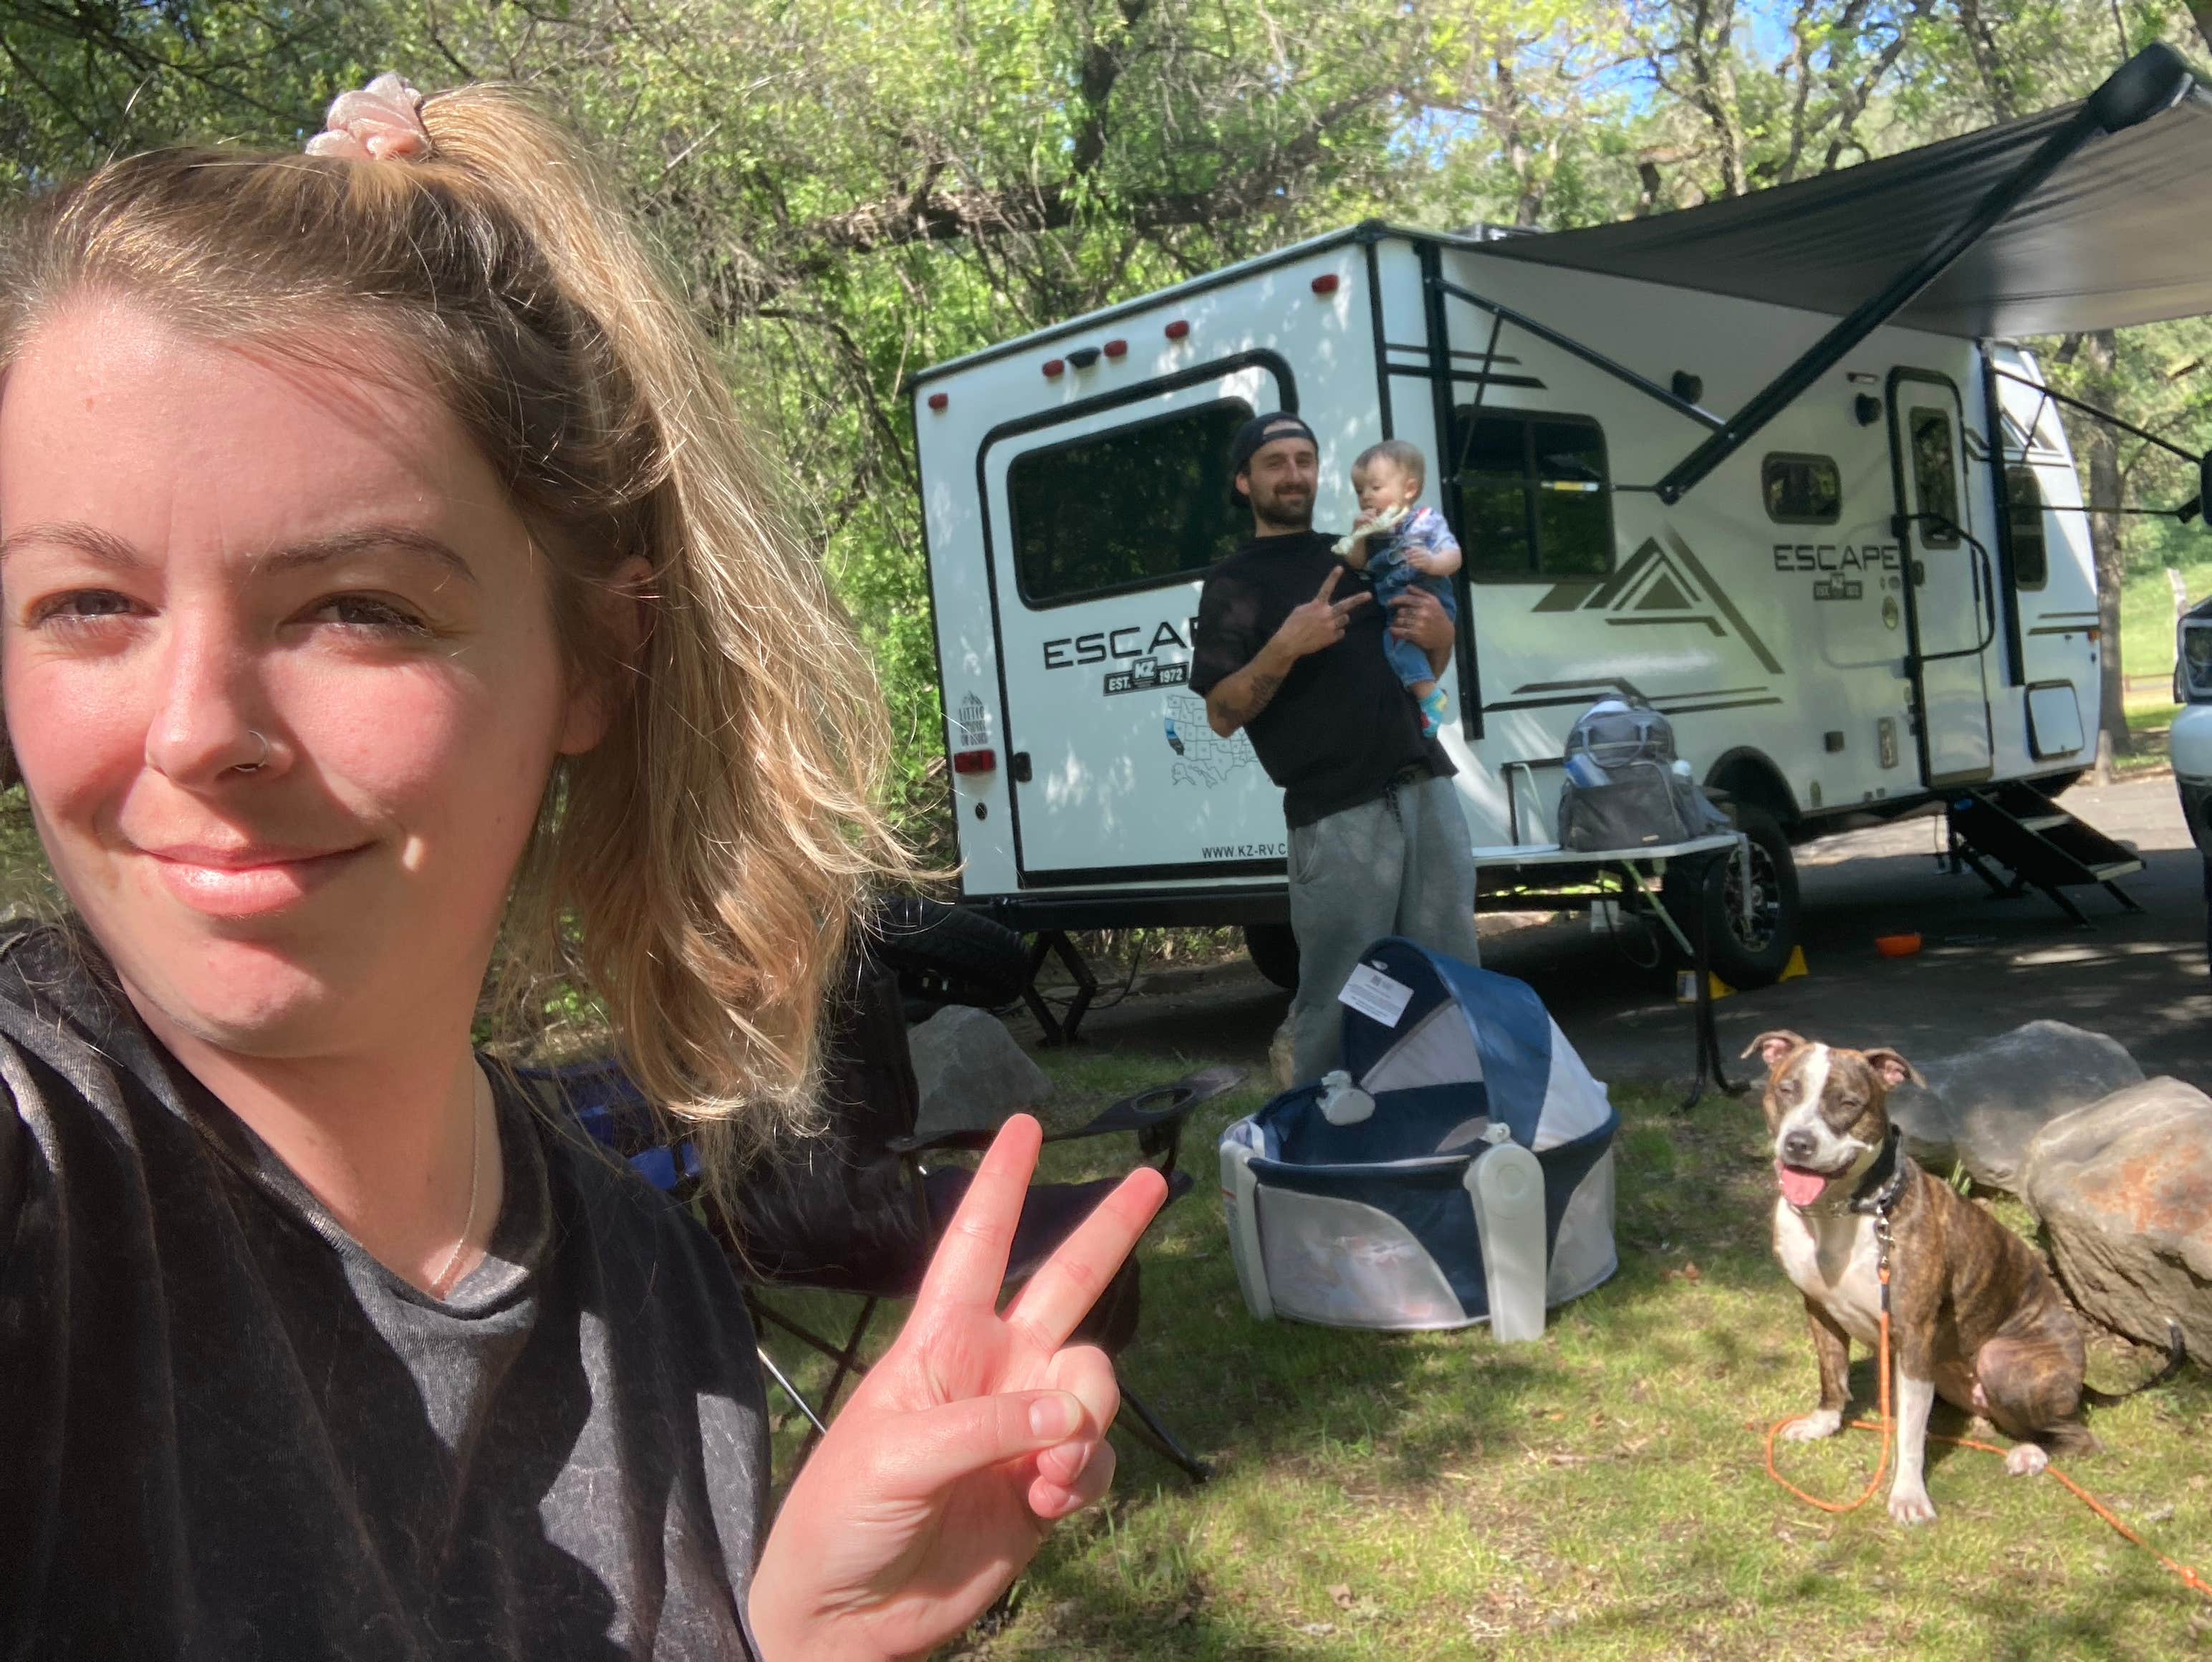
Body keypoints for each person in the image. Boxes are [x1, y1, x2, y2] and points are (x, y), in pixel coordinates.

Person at [0, 75, 1160, 1660]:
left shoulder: (654, 1292)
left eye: (356, 606)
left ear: (597, 655)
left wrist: (797, 1641)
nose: (197, 730)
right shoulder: (42, 1188)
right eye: (86, 604)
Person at [1190, 413, 1483, 1086]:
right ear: (1244, 481)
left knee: (1452, 975)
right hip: (1336, 813)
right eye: (1275, 463)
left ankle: (1455, 1113)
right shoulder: (1235, 583)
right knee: (1340, 994)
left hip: (1426, 788)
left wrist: (1441, 637)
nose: (1294, 474)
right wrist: (1285, 647)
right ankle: (1321, 1124)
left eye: (1305, 460)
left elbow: (1420, 667)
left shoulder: (1363, 552)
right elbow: (1222, 715)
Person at [1340, 439, 1462, 736]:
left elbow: (1454, 556)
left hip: (1430, 599)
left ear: (1409, 490)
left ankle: (1430, 698)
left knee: (1396, 647)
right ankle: (1427, 696)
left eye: (1375, 487)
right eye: (1359, 491)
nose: (1366, 497)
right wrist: (1357, 536)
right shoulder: (1375, 533)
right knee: (1396, 645)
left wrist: (1432, 562)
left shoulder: (1425, 521)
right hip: (1398, 609)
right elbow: (1357, 562)